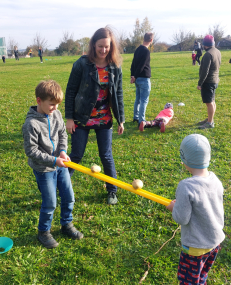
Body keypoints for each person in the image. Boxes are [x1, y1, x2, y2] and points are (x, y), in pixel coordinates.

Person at [65, 27, 125, 205]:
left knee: (106, 155)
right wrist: (69, 118)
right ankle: (61, 185)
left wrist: (120, 118)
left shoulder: (115, 66)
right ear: (93, 45)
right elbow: (70, 91)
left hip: (104, 119)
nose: (104, 50)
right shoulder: (82, 64)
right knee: (76, 155)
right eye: (100, 46)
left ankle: (112, 190)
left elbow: (118, 94)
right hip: (82, 117)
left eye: (107, 46)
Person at [22, 80, 83, 249]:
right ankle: (43, 232)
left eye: (57, 104)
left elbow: (62, 133)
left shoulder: (56, 114)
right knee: (50, 202)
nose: (55, 108)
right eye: (51, 104)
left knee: (69, 196)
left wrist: (62, 151)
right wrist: (54, 160)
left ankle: (66, 224)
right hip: (44, 169)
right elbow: (31, 151)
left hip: (60, 164)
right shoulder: (31, 125)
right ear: (39, 101)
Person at [166, 134, 225, 285]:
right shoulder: (215, 180)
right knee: (201, 275)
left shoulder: (186, 186)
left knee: (188, 281)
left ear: (184, 159)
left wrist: (174, 207)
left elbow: (182, 218)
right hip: (214, 242)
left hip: (195, 247)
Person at [197, 35, 221, 129]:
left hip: (208, 81)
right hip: (215, 80)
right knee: (212, 101)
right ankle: (209, 119)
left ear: (205, 44)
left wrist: (200, 83)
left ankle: (210, 122)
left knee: (209, 103)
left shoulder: (208, 54)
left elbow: (205, 71)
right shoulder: (217, 51)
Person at [130, 32, 154, 126]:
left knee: (138, 99)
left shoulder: (138, 49)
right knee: (144, 100)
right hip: (143, 78)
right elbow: (142, 65)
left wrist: (133, 76)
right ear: (151, 40)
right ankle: (141, 120)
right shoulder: (146, 51)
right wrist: (134, 76)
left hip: (137, 79)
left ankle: (136, 117)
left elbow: (133, 64)